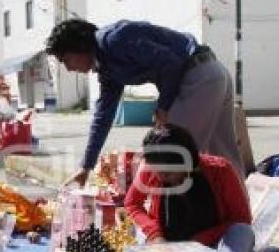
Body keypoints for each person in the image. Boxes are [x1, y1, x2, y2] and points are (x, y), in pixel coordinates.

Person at [45, 19, 243, 187]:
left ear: (78, 47)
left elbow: (171, 63)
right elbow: (103, 117)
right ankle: (240, 216)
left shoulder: (115, 40)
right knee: (223, 154)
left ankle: (188, 225)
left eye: (65, 60)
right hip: (213, 73)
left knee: (173, 157)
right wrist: (86, 166)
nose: (69, 69)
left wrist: (163, 106)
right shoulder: (107, 69)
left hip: (198, 77)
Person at [125, 125, 254, 252]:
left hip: (210, 250)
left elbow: (241, 218)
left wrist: (197, 243)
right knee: (137, 233)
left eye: (168, 173)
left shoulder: (221, 170)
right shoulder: (150, 169)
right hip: (165, 246)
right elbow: (132, 204)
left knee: (243, 233)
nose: (162, 177)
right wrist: (155, 235)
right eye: (158, 172)